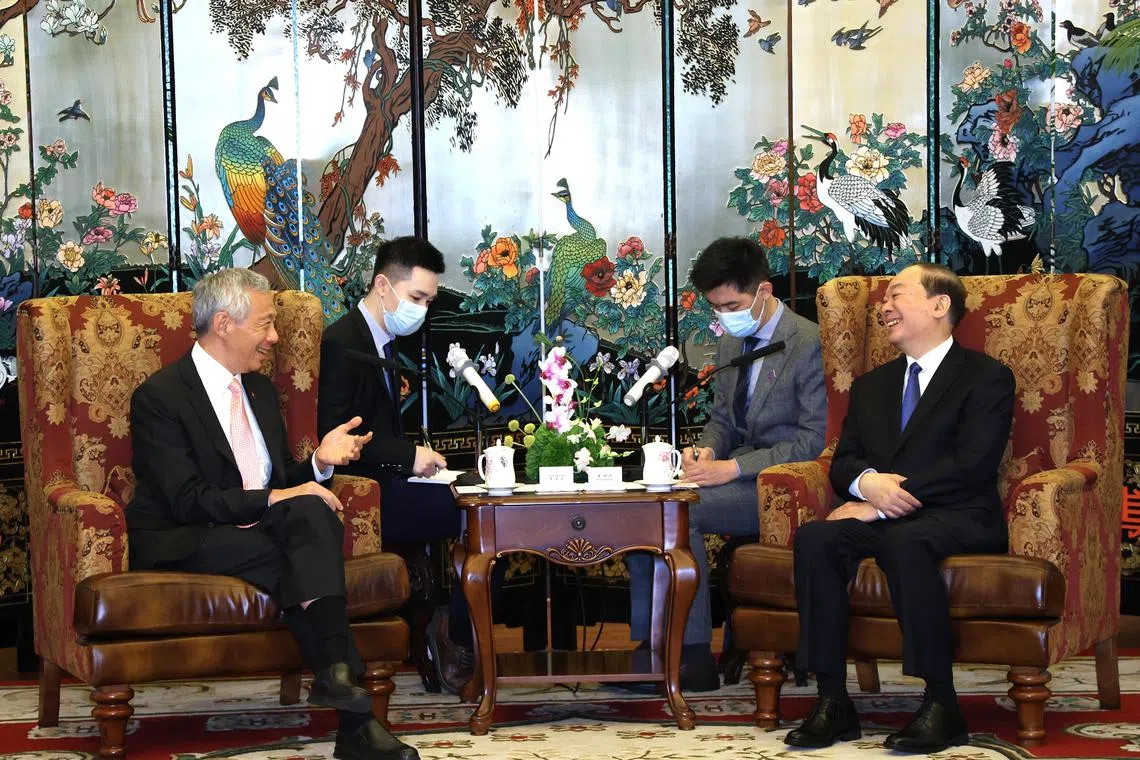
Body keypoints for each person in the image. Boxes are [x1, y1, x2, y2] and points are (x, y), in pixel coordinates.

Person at [126, 268, 418, 760]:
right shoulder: (160, 397)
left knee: (313, 511)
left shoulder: (259, 392)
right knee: (293, 553)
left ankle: (337, 683)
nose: (275, 337)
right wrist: (274, 499)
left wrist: (319, 464)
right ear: (223, 323)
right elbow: (187, 499)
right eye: (265, 325)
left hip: (255, 523)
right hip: (186, 534)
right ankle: (355, 721)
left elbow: (279, 480)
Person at [786, 263, 1014, 754]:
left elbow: (973, 465)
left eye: (897, 295)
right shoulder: (873, 386)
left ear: (940, 305)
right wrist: (868, 485)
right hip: (888, 515)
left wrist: (883, 505)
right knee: (816, 537)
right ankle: (831, 699)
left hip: (958, 515)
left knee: (903, 538)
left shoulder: (986, 377)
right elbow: (844, 461)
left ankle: (941, 703)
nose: (884, 307)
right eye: (883, 299)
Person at [624, 236, 827, 692]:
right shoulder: (734, 342)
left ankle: (692, 654)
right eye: (715, 308)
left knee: (683, 512)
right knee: (645, 509)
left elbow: (813, 442)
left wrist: (732, 469)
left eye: (731, 304)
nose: (724, 316)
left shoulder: (807, 342)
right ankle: (650, 646)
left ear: (764, 292)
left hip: (784, 486)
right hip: (736, 473)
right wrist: (709, 451)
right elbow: (722, 419)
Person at [318, 236, 475, 696]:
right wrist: (409, 455)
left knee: (485, 503)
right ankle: (457, 638)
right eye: (416, 298)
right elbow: (336, 438)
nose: (422, 310)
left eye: (429, 301)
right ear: (383, 285)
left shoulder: (381, 339)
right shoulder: (343, 342)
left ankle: (456, 631)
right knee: (479, 514)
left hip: (391, 481)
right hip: (362, 494)